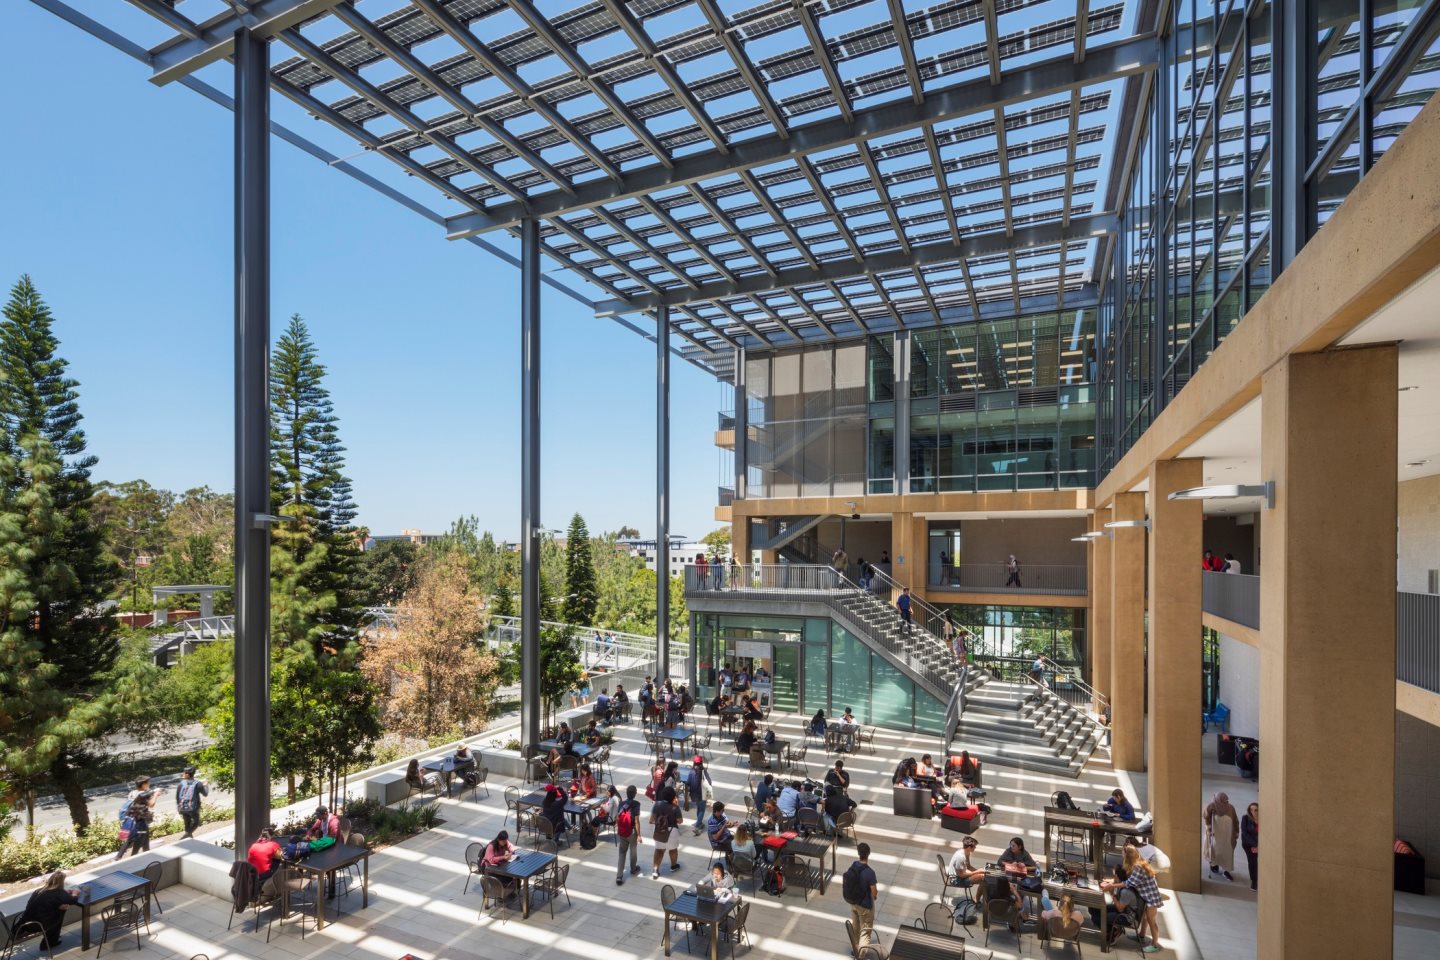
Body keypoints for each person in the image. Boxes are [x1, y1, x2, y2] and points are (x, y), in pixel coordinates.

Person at [1107, 845, 1163, 952]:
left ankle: (1154, 945)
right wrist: (1113, 882)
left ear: (1127, 855)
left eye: (1123, 853)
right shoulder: (1137, 863)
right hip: (1147, 895)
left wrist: (1112, 886)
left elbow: (1129, 883)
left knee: (1151, 921)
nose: (1122, 854)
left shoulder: (1138, 867)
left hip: (1151, 897)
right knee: (1145, 918)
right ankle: (1141, 936)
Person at [19, 871, 81, 950]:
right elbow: (73, 901)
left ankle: (52, 939)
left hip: (25, 922)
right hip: (36, 925)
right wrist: (75, 893)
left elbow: (47, 904)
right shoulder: (58, 893)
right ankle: (50, 942)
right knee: (61, 912)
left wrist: (58, 905)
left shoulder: (39, 890)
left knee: (59, 910)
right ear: (61, 882)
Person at [843, 842, 879, 948]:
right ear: (868, 854)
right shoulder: (870, 872)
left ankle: (855, 950)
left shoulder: (853, 866)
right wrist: (875, 896)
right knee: (865, 932)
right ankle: (861, 956)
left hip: (853, 903)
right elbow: (874, 892)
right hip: (865, 907)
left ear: (858, 853)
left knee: (855, 928)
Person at [114, 776, 157, 861]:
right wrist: (155, 795)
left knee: (144, 836)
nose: (149, 784)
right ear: (144, 784)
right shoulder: (142, 795)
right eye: (148, 783)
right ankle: (131, 858)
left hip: (130, 819)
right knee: (138, 838)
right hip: (139, 821)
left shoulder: (132, 793)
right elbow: (151, 804)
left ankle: (146, 854)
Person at [650, 785, 683, 878]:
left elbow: (652, 819)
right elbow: (680, 821)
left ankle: (655, 870)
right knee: (673, 849)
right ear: (673, 797)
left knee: (659, 849)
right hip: (672, 831)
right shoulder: (675, 807)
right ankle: (673, 866)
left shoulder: (657, 804)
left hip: (659, 830)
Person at [1205, 791, 1239, 881]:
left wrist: (1236, 833)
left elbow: (1235, 820)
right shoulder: (1211, 806)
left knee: (1227, 852)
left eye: (1226, 801)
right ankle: (1214, 865)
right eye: (1223, 801)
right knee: (1215, 850)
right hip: (1215, 834)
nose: (1226, 803)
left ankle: (1226, 871)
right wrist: (1209, 829)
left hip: (1228, 834)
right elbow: (1206, 817)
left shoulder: (1230, 808)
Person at [616, 785, 643, 885]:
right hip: (631, 832)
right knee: (633, 851)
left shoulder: (621, 804)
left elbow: (617, 818)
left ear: (626, 793)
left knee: (622, 853)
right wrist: (639, 835)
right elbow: (636, 821)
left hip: (622, 831)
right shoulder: (636, 804)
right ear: (635, 793)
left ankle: (619, 876)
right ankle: (633, 868)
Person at [175, 765, 208, 839]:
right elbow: (205, 794)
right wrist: (206, 785)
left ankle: (188, 838)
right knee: (196, 823)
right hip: (193, 809)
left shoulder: (181, 784)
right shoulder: (198, 784)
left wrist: (180, 806)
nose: (183, 774)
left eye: (184, 773)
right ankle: (185, 836)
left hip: (183, 808)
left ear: (187, 774)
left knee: (187, 824)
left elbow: (177, 797)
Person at [686, 756, 713, 833]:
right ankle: (698, 825)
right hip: (702, 794)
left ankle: (699, 822)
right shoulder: (703, 771)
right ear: (701, 763)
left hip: (694, 794)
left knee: (698, 807)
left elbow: (688, 782)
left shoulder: (691, 771)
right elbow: (709, 781)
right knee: (702, 809)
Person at [1241, 802, 1260, 890]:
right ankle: (1254, 882)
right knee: (1253, 862)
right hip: (1248, 845)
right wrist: (1255, 845)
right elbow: (1245, 833)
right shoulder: (1245, 818)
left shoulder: (1263, 819)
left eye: (1256, 810)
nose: (1253, 812)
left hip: (1260, 845)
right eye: (1251, 810)